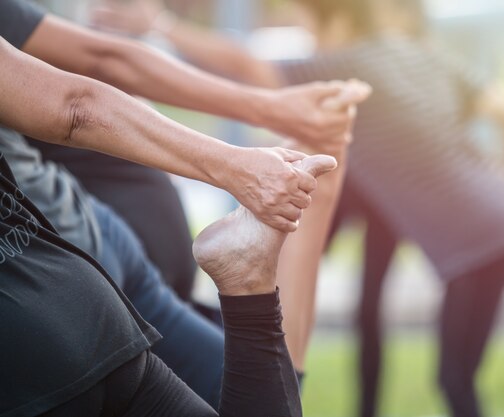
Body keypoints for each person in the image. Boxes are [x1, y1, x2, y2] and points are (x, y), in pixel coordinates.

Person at [92, 1, 504, 416]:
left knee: (454, 381)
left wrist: (161, 22)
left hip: (474, 243)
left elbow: (244, 64)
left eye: (306, 22)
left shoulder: (343, 68)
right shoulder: (416, 51)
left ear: (335, 20)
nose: (305, 38)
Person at [0, 30, 344, 415]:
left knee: (264, 374)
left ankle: (257, 274)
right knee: (268, 378)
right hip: (76, 284)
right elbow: (79, 95)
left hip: (83, 270)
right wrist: (243, 162)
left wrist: (250, 150)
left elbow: (84, 86)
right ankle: (252, 280)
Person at [1, 0, 365, 302]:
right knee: (264, 373)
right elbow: (79, 103)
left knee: (268, 377)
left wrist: (275, 115)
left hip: (116, 243)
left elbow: (106, 64)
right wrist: (234, 165)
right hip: (79, 264)